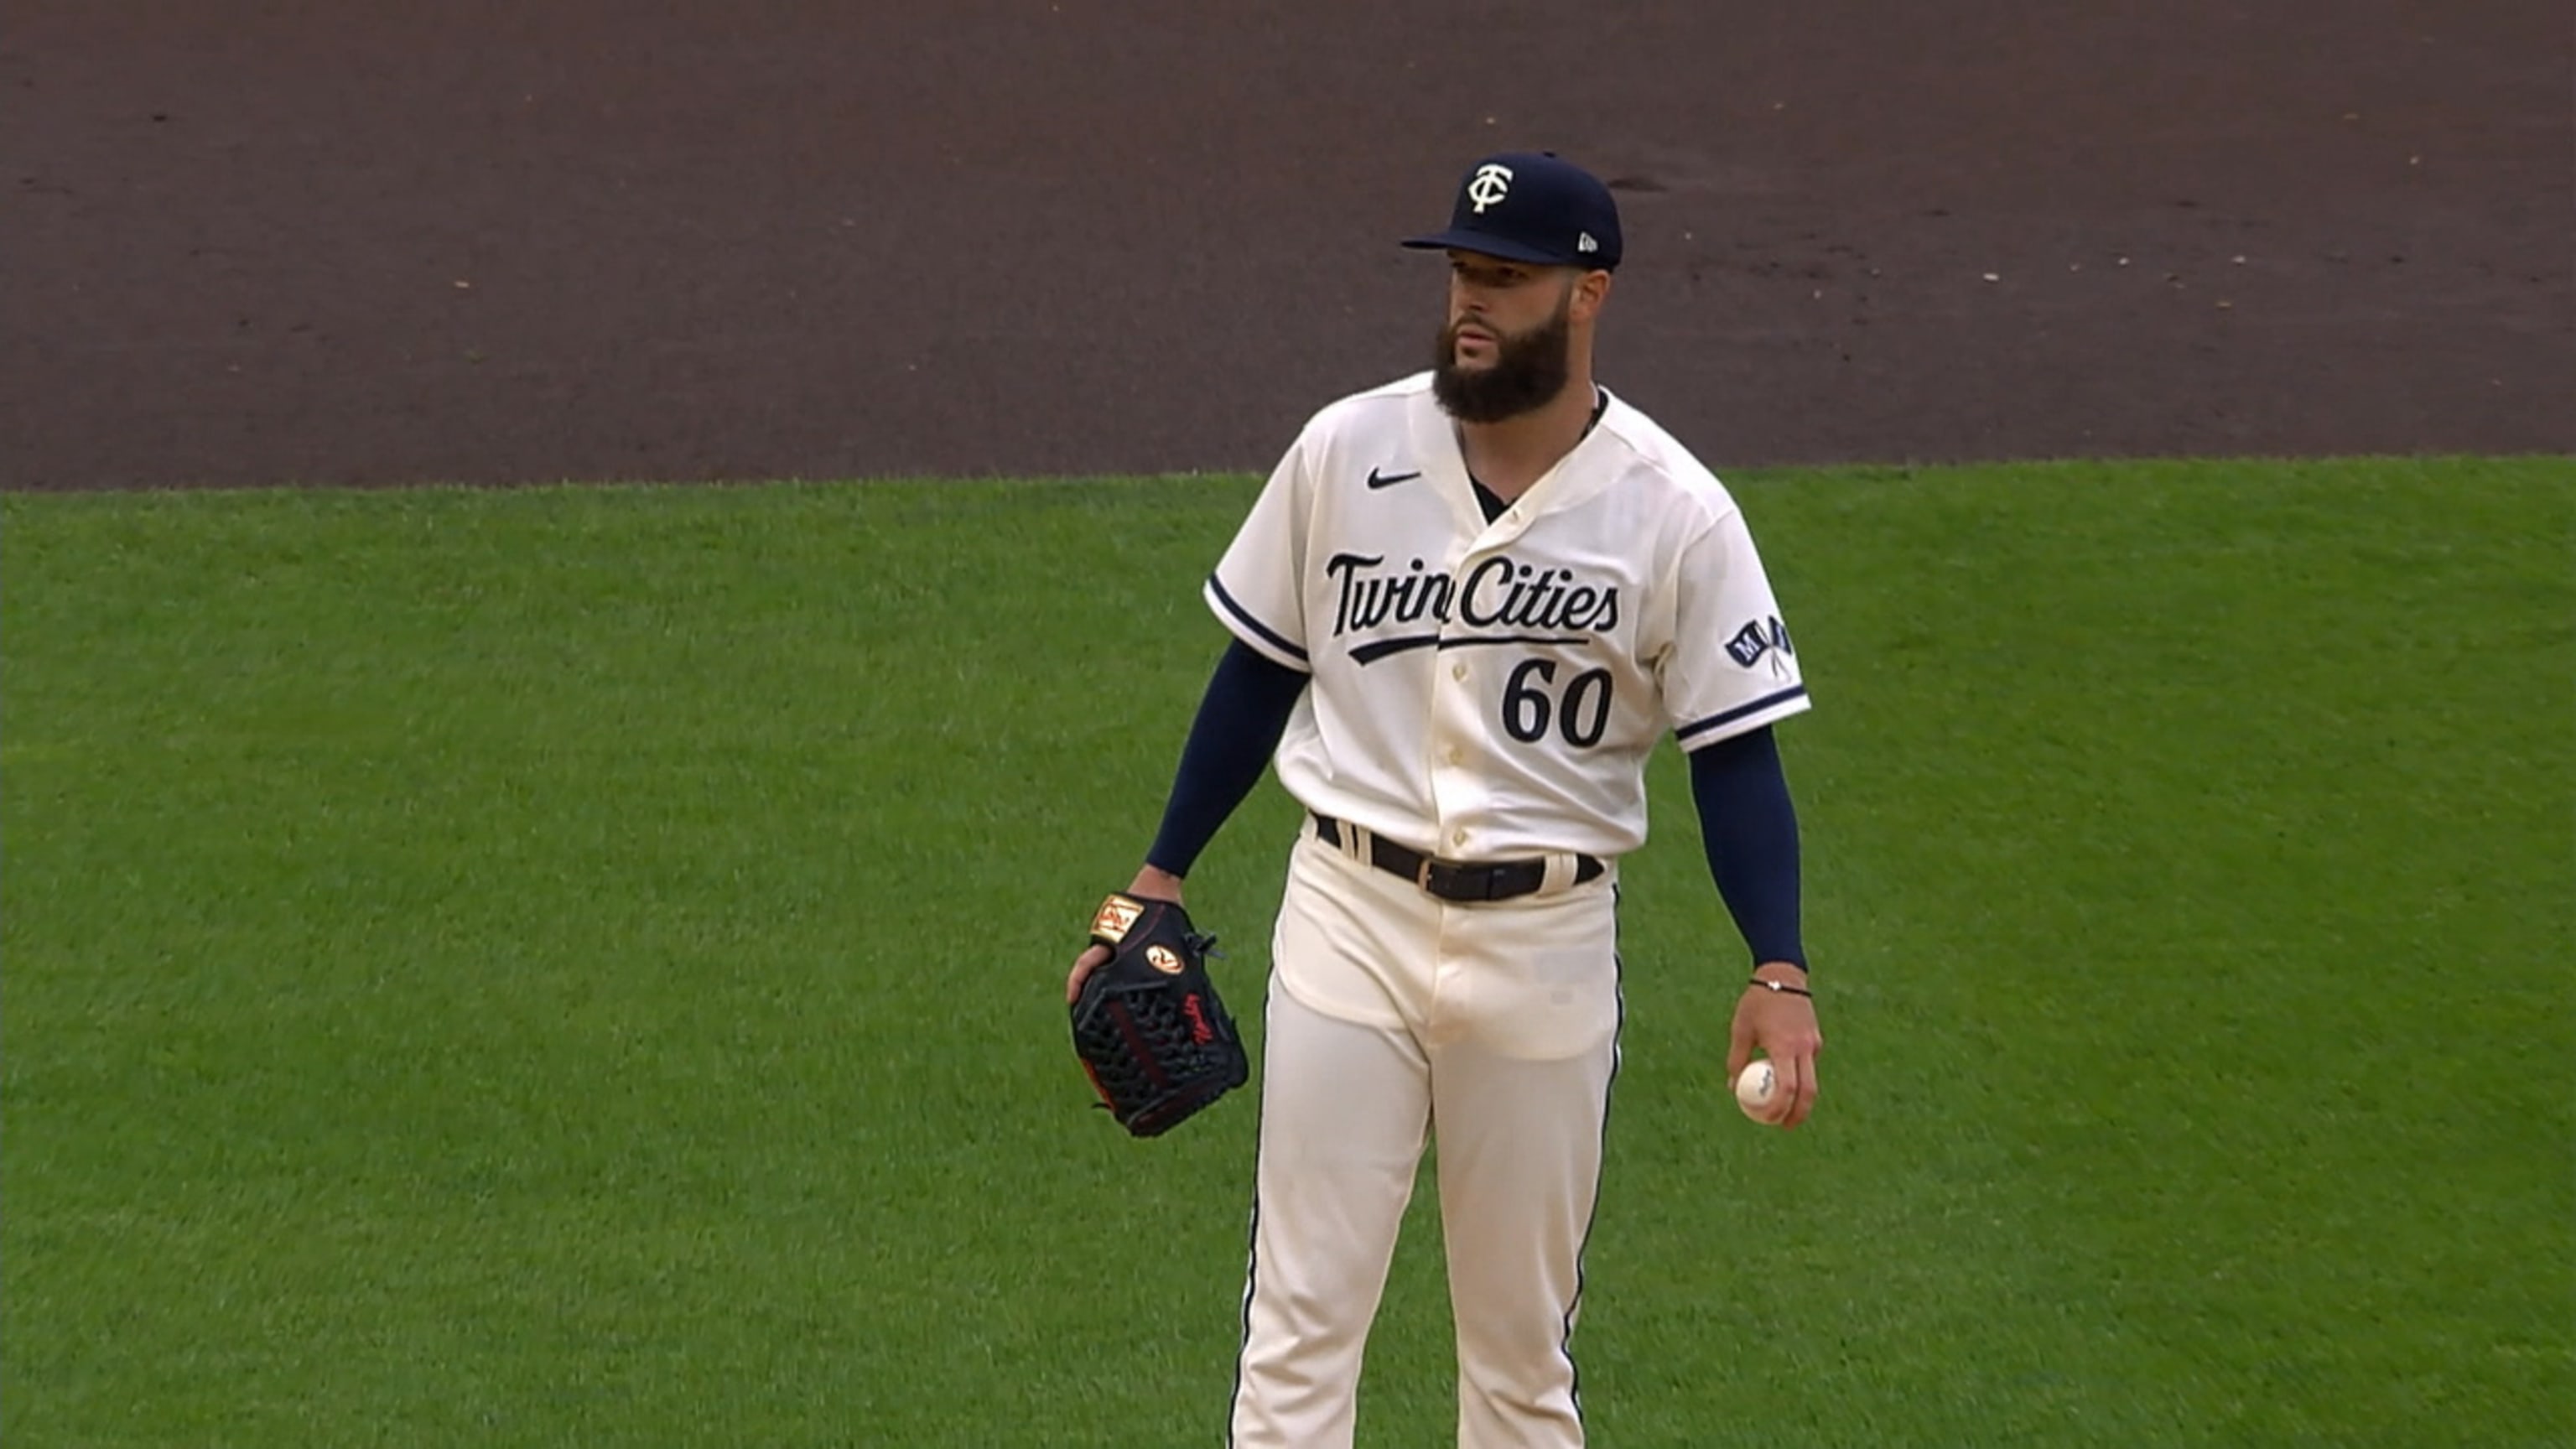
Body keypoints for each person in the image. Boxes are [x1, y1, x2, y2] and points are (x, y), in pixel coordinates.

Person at [1066, 150, 1825, 1449]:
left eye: (1508, 279)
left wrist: (1781, 965)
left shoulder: (1675, 513)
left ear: (1589, 294)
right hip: (1347, 918)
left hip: (1546, 946)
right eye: (1464, 272)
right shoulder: (1345, 449)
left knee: (1522, 1364)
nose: (1472, 303)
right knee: (1296, 1335)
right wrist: (1161, 873)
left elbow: (1735, 758)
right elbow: (1258, 673)